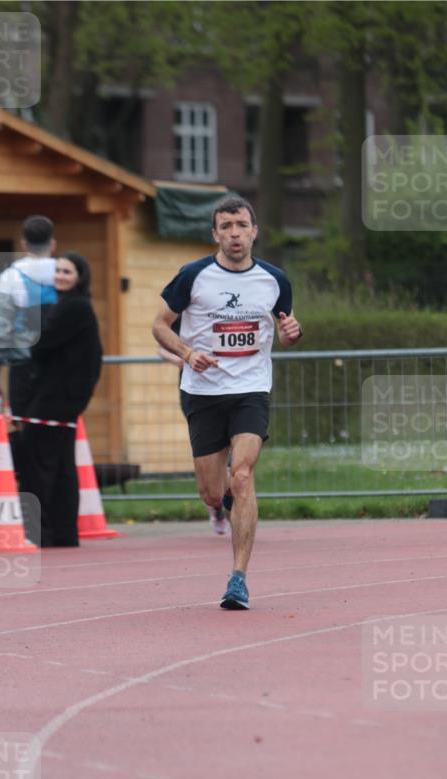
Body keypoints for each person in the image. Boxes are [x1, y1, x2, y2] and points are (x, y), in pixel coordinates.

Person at [152, 195, 303, 610]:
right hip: (203, 392)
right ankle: (224, 506)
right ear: (215, 233)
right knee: (212, 492)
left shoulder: (275, 280)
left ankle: (238, 578)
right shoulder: (193, 276)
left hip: (251, 389)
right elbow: (159, 325)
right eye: (226, 227)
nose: (234, 234)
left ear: (254, 231)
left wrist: (292, 332)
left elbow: (287, 328)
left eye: (241, 225)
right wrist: (186, 353)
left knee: (243, 473)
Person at [22, 253, 102, 547]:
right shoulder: (71, 306)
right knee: (60, 463)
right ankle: (61, 531)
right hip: (63, 396)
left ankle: (43, 530)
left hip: (58, 397)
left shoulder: (75, 308)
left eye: (67, 271)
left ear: (80, 276)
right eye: (58, 270)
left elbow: (41, 345)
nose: (60, 275)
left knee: (40, 460)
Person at [0, 215, 58, 484]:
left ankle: (32, 498)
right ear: (53, 243)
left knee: (28, 435)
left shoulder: (10, 277)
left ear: (23, 243)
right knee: (59, 436)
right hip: (59, 368)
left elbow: (2, 332)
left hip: (24, 368)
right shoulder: (65, 273)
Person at [157, 343, 228, 536]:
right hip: (193, 390)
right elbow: (161, 347)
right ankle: (215, 503)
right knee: (208, 449)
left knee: (231, 449)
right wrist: (181, 358)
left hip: (229, 386)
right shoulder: (181, 314)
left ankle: (233, 501)